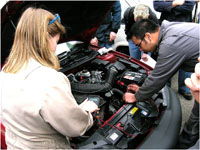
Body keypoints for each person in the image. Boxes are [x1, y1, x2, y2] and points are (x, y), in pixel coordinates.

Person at [0, 7, 99, 149]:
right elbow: (74, 127)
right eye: (56, 41)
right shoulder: (50, 81)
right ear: (46, 38)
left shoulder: (5, 72)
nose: (54, 48)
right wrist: (86, 112)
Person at [124, 19, 199, 149]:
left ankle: (183, 146)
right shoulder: (170, 29)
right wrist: (142, 89)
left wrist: (136, 97)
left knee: (196, 118)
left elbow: (158, 78)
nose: (140, 49)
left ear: (147, 36)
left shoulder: (170, 43)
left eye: (139, 45)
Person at [153, 0, 196, 100]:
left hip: (184, 29)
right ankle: (166, 88)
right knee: (166, 59)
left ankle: (185, 88)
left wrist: (168, 6)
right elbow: (157, 5)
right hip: (166, 30)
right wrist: (175, 3)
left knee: (185, 59)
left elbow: (189, 7)